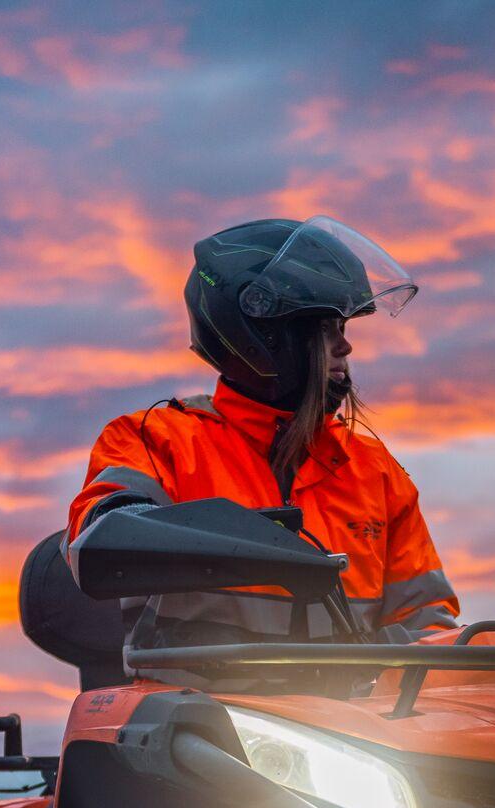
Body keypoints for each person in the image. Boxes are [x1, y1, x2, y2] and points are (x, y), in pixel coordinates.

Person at [31, 217, 460, 667]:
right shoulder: (154, 440)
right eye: (326, 329)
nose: (344, 347)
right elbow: (98, 535)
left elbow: (427, 620)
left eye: (344, 329)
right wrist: (170, 534)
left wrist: (416, 658)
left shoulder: (374, 470)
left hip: (348, 722)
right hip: (199, 715)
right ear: (265, 336)